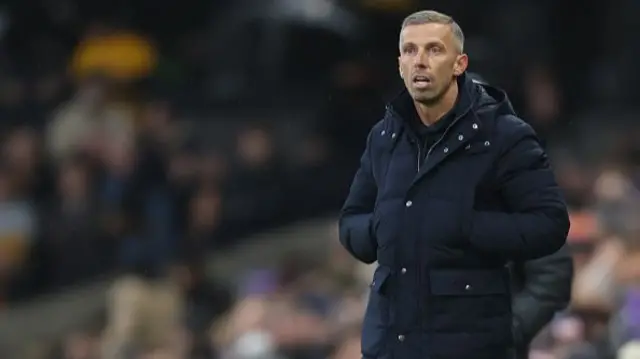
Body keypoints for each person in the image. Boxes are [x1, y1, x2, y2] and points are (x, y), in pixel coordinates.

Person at [338, 10, 571, 359]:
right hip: (391, 344)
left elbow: (550, 237)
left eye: (434, 50)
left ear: (459, 66)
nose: (421, 63)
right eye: (411, 51)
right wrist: (380, 230)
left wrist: (509, 331)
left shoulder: (505, 139)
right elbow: (352, 219)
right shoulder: (385, 137)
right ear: (399, 63)